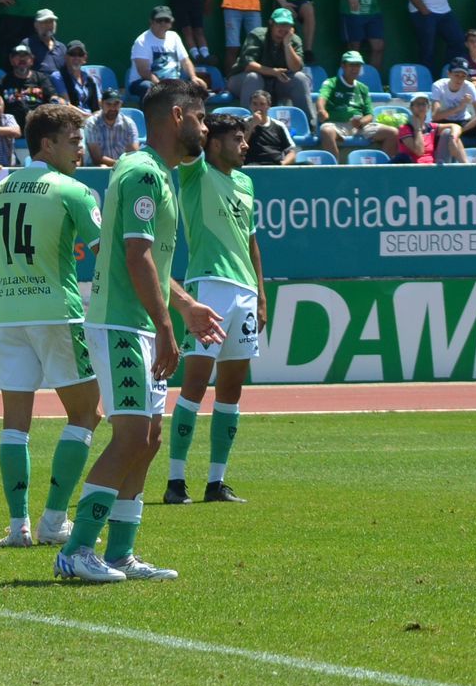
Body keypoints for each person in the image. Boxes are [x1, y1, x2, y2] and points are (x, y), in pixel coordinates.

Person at [55, 77, 223, 583]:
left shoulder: (151, 173)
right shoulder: (145, 174)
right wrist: (166, 327)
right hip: (124, 326)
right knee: (130, 436)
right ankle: (77, 549)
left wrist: (186, 304)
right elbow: (136, 256)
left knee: (148, 437)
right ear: (176, 117)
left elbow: (151, 259)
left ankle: (121, 551)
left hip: (137, 325)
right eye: (199, 117)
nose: (205, 126)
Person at [165, 111, 264, 506]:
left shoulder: (246, 182)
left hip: (244, 291)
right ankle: (175, 482)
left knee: (232, 390)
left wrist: (261, 293)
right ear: (215, 143)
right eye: (238, 139)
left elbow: (252, 242)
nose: (245, 145)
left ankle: (216, 483)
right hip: (208, 286)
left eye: (245, 139)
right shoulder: (196, 173)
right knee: (194, 385)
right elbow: (189, 144)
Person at [231, 8, 312, 117]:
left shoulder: (294, 40)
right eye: (280, 24)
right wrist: (274, 72)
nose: (283, 29)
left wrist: (287, 44)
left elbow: (296, 68)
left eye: (287, 25)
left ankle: (308, 126)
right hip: (243, 81)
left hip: (276, 84)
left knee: (300, 78)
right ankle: (247, 123)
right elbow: (248, 65)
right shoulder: (258, 35)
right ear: (271, 23)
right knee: (254, 78)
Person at [315, 53, 393, 160]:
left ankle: (384, 170)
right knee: (326, 131)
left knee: (392, 133)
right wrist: (321, 110)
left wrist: (361, 122)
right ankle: (334, 170)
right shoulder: (332, 83)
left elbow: (369, 114)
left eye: (358, 65)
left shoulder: (363, 88)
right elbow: (321, 99)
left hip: (359, 126)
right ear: (343, 66)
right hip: (337, 124)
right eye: (351, 65)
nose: (355, 69)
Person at [127, 6, 198, 98]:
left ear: (171, 23)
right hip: (144, 81)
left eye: (166, 20)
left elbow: (185, 61)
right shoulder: (142, 41)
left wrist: (193, 77)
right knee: (149, 88)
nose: (163, 23)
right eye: (159, 20)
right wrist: (162, 86)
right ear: (151, 21)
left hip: (172, 83)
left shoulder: (174, 37)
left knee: (196, 87)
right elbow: (144, 71)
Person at [431, 58, 476, 152]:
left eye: (463, 76)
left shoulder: (469, 86)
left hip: (463, 123)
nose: (459, 79)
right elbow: (435, 116)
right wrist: (459, 107)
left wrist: (462, 129)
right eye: (456, 75)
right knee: (432, 129)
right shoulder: (438, 86)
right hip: (445, 123)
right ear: (449, 74)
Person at [0, 42, 51, 130]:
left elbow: (53, 98)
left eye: (25, 55)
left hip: (39, 129)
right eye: (18, 56)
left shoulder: (41, 79)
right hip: (12, 131)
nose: (22, 58)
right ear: (11, 60)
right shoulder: (2, 83)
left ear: (32, 60)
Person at [393, 93, 462, 164]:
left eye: (424, 104)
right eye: (417, 104)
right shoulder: (404, 129)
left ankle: (468, 168)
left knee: (450, 134)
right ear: (411, 108)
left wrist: (453, 139)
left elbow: (456, 126)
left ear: (428, 107)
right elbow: (419, 151)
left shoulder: (431, 126)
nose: (421, 107)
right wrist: (418, 129)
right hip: (415, 169)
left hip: (433, 167)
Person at [82, 90, 138, 167]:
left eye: (116, 104)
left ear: (121, 104)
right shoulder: (92, 123)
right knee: (102, 166)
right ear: (101, 104)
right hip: (99, 168)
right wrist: (120, 165)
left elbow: (133, 153)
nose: (112, 108)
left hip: (123, 168)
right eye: (108, 104)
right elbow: (97, 158)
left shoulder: (129, 124)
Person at [243, 89, 297, 165]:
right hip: (253, 165)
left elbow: (291, 151)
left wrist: (283, 164)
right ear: (250, 105)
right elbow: (239, 146)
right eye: (255, 104)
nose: (258, 108)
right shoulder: (244, 123)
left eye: (262, 104)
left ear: (268, 106)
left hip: (276, 165)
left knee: (308, 164)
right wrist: (252, 125)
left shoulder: (279, 125)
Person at [50, 41, 101, 111]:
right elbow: (67, 106)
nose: (76, 57)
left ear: (85, 58)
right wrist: (86, 116)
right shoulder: (58, 77)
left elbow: (99, 102)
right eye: (72, 54)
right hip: (73, 118)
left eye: (80, 54)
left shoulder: (90, 79)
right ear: (65, 57)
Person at [23, 10, 67, 81]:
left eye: (51, 22)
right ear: (36, 25)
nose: (49, 25)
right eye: (45, 22)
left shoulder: (62, 47)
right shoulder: (27, 44)